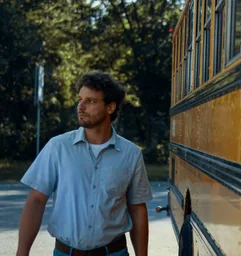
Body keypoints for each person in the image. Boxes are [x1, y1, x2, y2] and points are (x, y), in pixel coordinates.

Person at [17, 71, 153, 256]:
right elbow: (36, 201)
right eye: (80, 99)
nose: (80, 107)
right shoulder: (58, 147)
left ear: (110, 108)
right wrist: (21, 253)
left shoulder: (131, 154)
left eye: (90, 101)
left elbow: (137, 210)